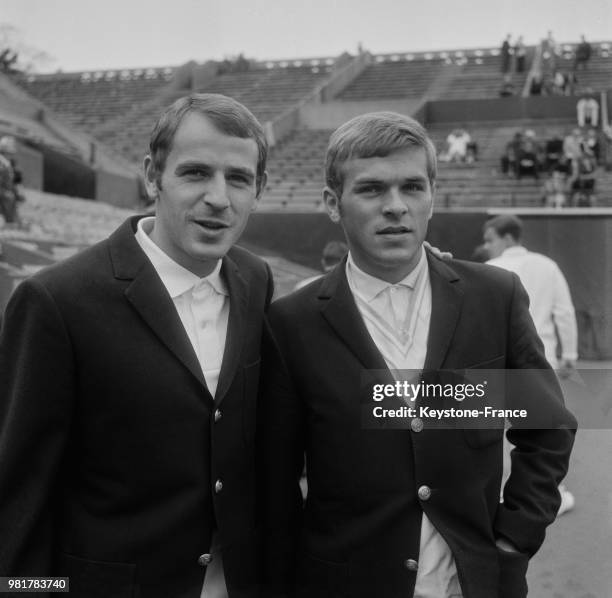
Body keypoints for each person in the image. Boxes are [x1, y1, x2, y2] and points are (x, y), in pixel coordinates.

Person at [260, 112, 576, 598]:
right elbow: (276, 482)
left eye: (412, 187)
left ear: (432, 194)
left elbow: (547, 428)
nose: (396, 207)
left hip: (473, 583)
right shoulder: (291, 323)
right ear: (331, 203)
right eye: (371, 190)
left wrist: (515, 539)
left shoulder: (494, 297)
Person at [0, 93, 273, 598]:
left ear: (259, 189)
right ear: (153, 176)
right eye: (195, 173)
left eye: (238, 178)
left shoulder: (256, 280)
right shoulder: (56, 300)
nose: (219, 197)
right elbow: (18, 498)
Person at [484, 214, 578, 515]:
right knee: (544, 432)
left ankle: (500, 492)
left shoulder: (488, 271)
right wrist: (570, 355)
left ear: (508, 238)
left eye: (490, 240)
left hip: (498, 364)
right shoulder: (548, 266)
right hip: (542, 361)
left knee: (498, 431)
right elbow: (564, 312)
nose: (486, 247)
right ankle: (552, 492)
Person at [0, 135, 23, 227]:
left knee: (12, 197)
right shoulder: (2, 163)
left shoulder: (7, 163)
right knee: (9, 197)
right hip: (3, 192)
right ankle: (10, 221)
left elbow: (11, 181)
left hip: (6, 191)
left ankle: (12, 221)